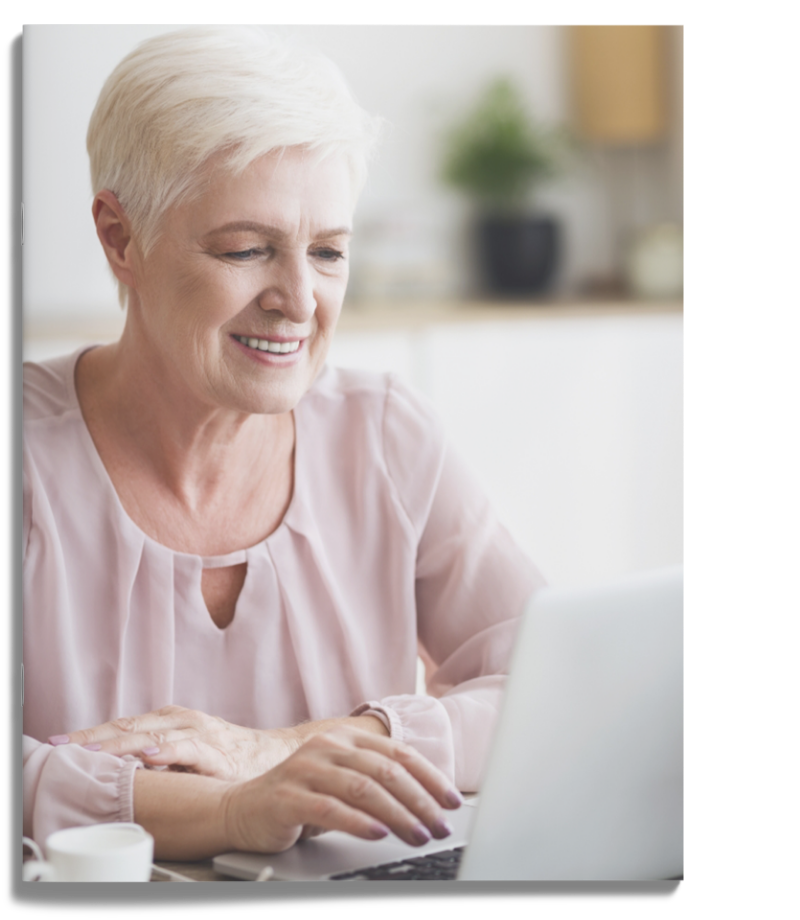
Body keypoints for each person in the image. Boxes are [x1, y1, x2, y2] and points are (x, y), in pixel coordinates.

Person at [22, 26, 545, 860]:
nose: (299, 301)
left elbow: (548, 688)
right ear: (121, 239)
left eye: (329, 252)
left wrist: (289, 745)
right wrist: (234, 811)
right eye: (247, 249)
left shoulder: (385, 435)